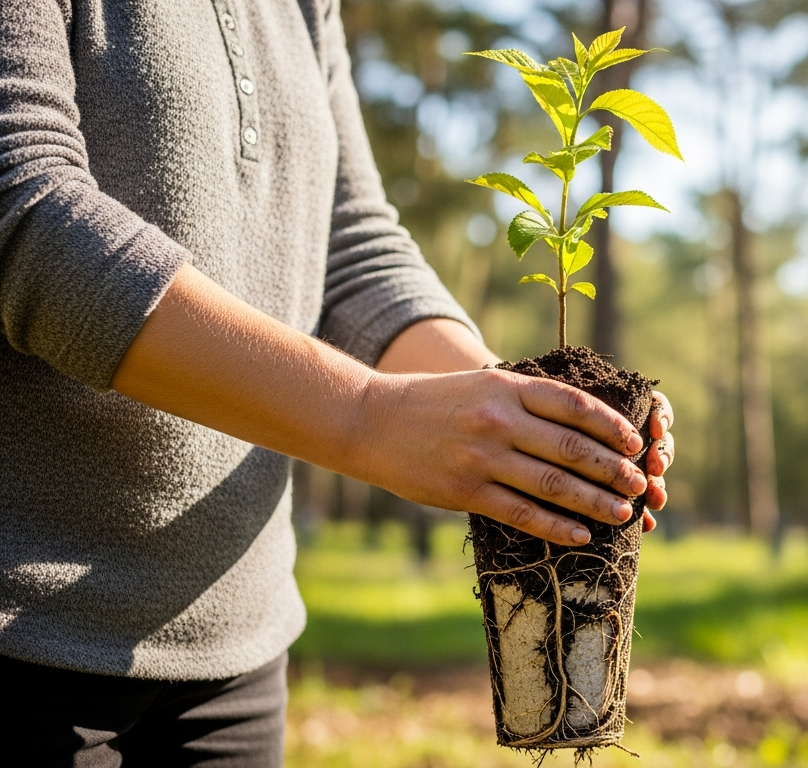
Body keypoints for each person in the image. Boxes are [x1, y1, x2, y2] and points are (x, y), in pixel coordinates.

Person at [0, 0, 675, 764]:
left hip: (238, 654)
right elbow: (22, 206)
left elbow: (352, 247)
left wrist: (512, 419)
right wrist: (365, 418)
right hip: (26, 637)